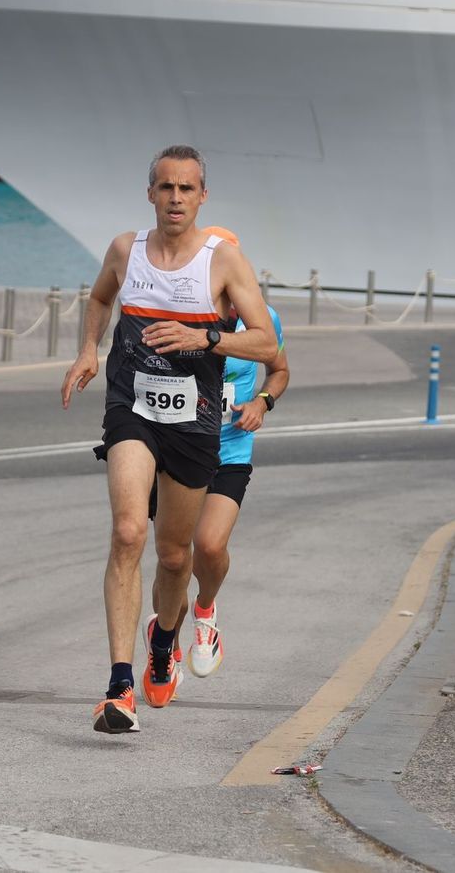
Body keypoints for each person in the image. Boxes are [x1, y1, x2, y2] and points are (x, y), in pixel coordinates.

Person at [61, 146, 277, 735]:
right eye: (165, 188)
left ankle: (165, 636)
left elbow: (266, 346)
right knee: (129, 531)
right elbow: (102, 296)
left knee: (176, 553)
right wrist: (89, 348)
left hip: (196, 421)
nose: (175, 198)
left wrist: (203, 340)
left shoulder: (223, 262)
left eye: (186, 189)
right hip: (131, 406)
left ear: (202, 196)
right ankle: (119, 686)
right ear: (150, 193)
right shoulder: (125, 250)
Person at [143, 226, 291, 679]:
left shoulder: (263, 318)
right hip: (177, 443)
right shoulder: (178, 311)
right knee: (173, 559)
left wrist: (262, 403)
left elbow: (279, 370)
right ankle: (163, 645)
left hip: (230, 447)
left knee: (209, 545)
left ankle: (206, 615)